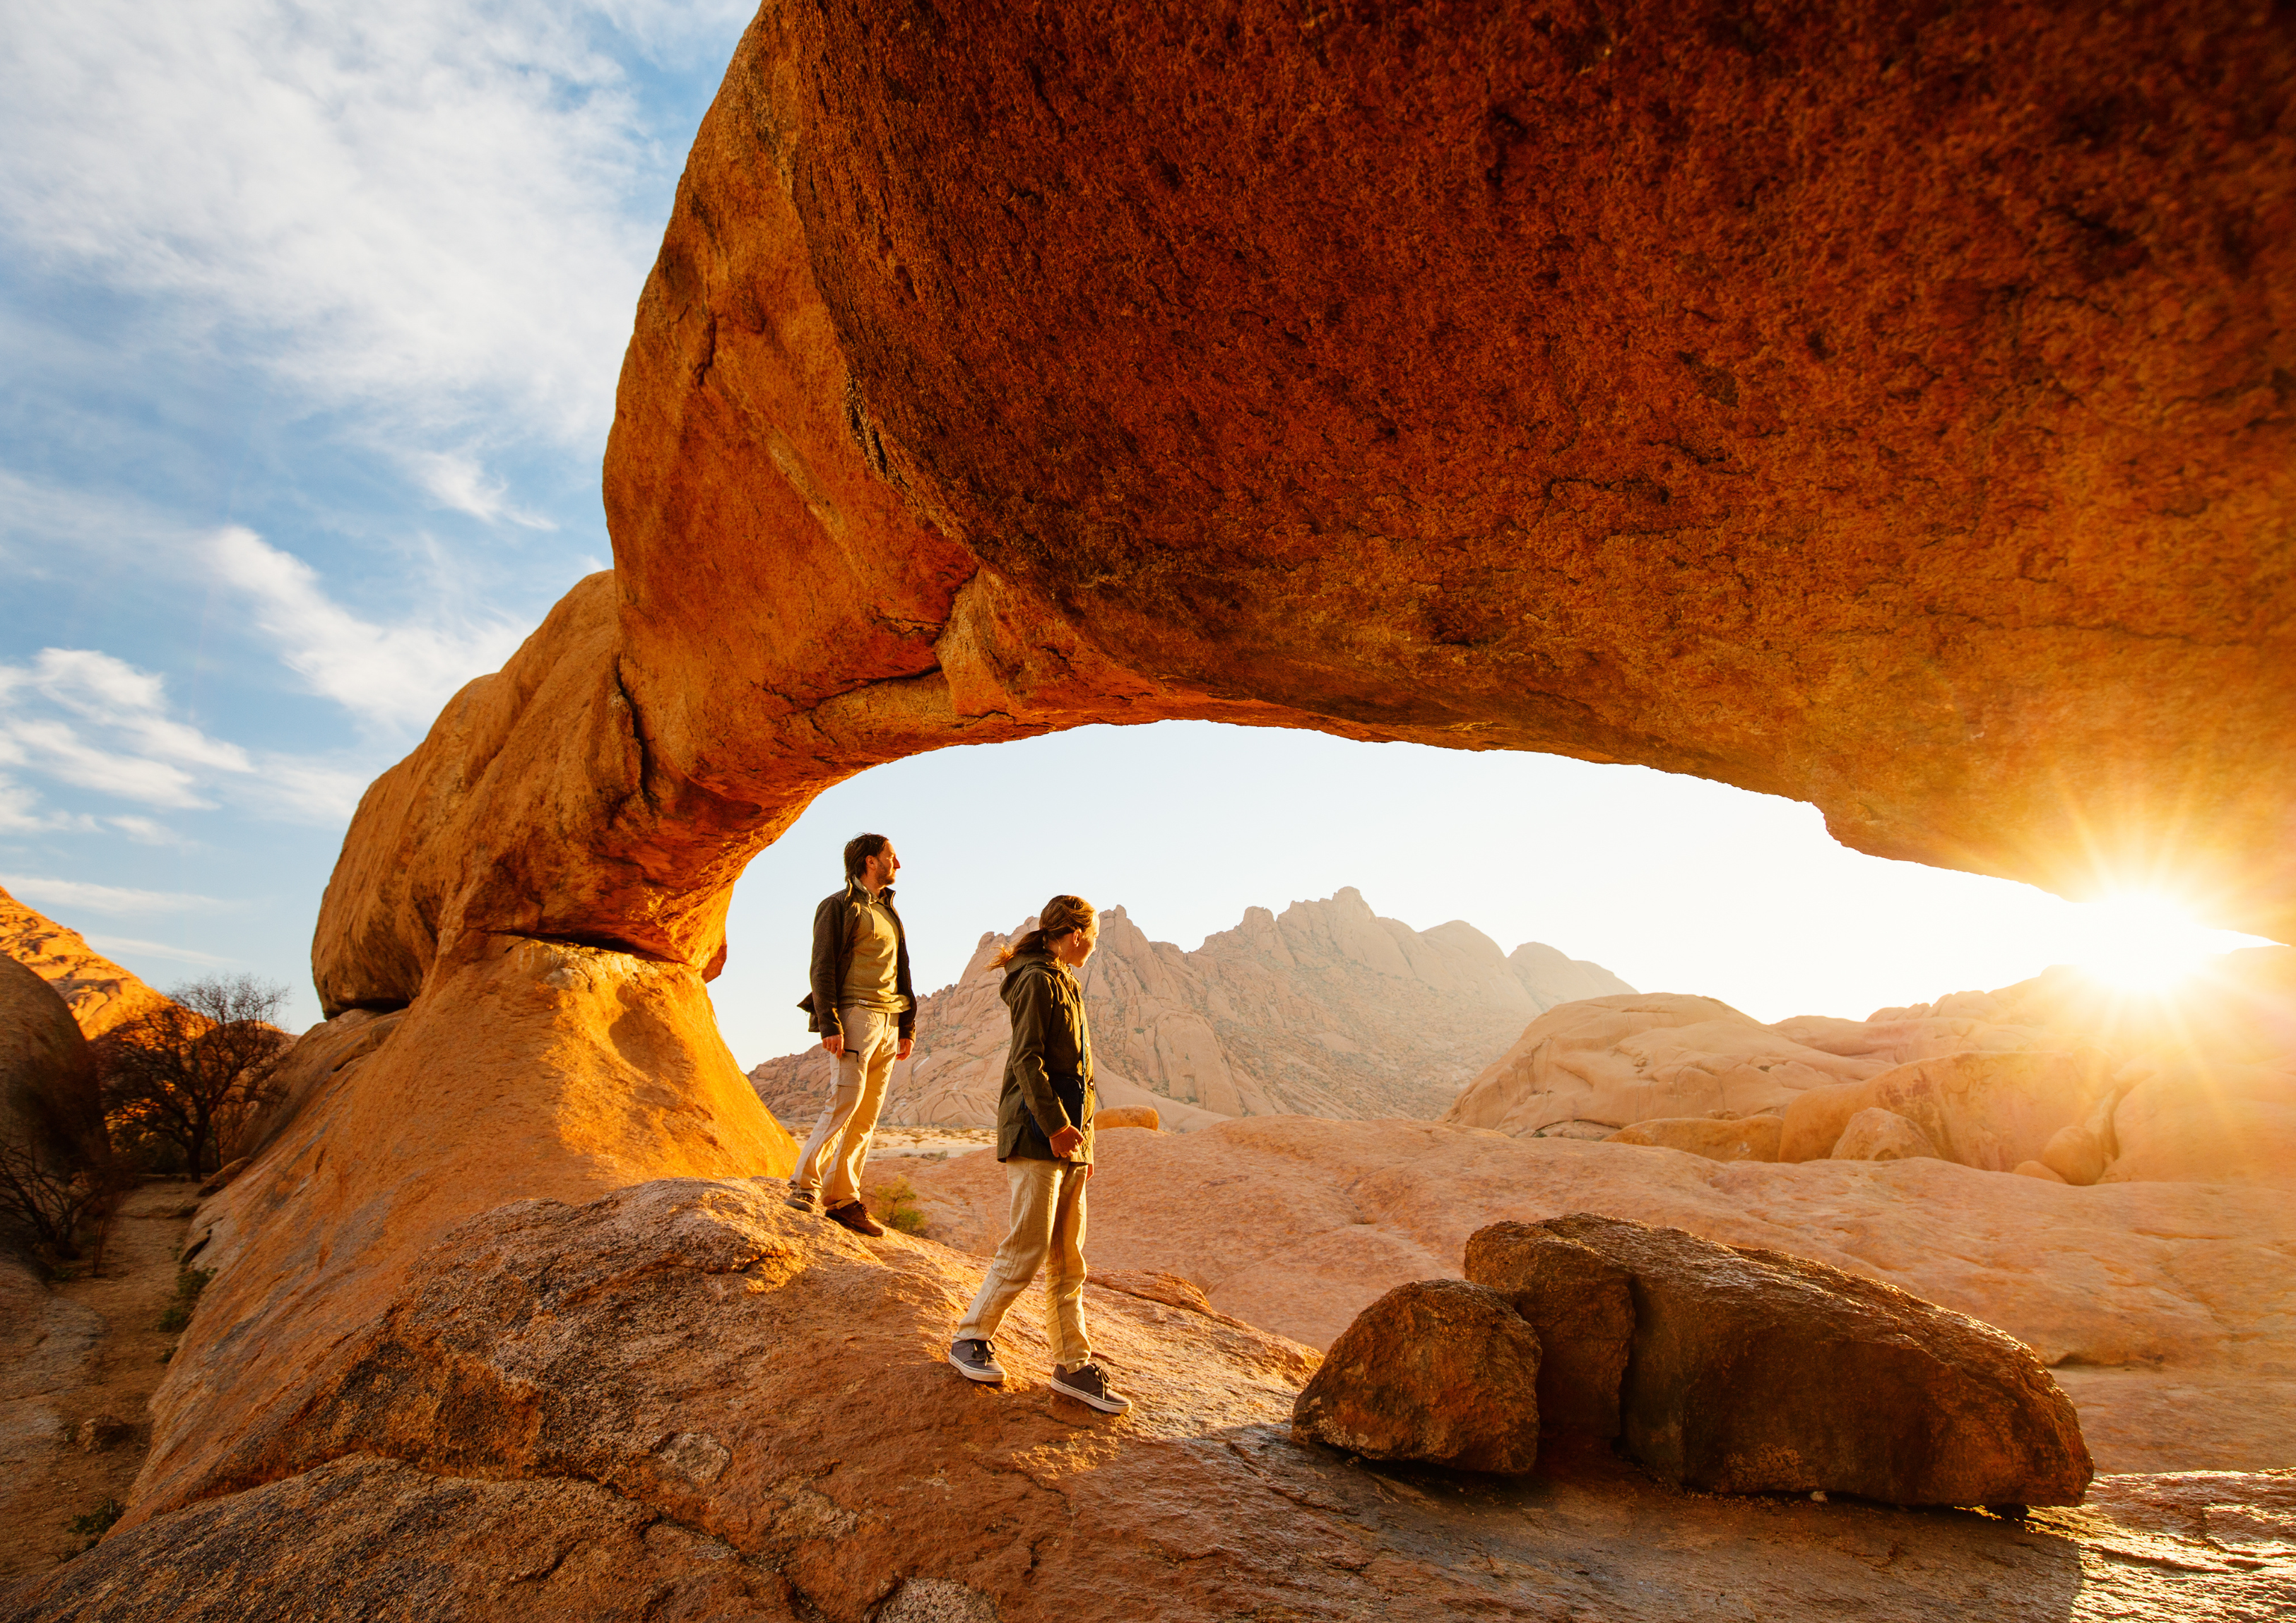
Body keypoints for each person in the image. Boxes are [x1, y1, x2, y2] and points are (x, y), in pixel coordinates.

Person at [947, 896, 1130, 1415]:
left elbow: (1079, 1073)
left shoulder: (1063, 979)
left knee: (1069, 1260)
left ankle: (1073, 1365)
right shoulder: (1035, 980)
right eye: (1091, 934)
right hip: (1036, 1136)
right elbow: (1027, 1060)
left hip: (1067, 1142)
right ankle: (970, 1337)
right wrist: (1054, 1128)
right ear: (1073, 932)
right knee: (1026, 1248)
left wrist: (1082, 1142)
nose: (1094, 944)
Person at [787, 833, 916, 1236]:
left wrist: (907, 1026)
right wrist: (829, 1023)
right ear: (870, 862)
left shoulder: (889, 911)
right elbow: (821, 967)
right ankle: (804, 1186)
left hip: (889, 1022)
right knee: (844, 1101)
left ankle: (843, 1198)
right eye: (892, 857)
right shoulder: (839, 906)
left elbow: (903, 973)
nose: (899, 864)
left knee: (866, 1117)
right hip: (855, 1016)